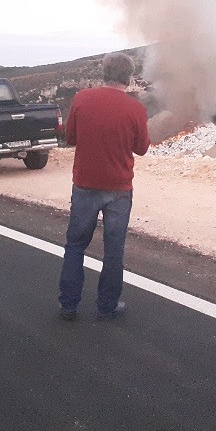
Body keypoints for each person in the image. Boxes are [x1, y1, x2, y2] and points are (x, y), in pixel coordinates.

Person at [58, 53, 150, 320]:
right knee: (113, 250)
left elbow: (70, 137)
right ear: (129, 77)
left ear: (104, 73)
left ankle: (68, 304)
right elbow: (142, 149)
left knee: (75, 245)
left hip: (85, 184)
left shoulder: (81, 99)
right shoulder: (136, 109)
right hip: (119, 189)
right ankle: (107, 305)